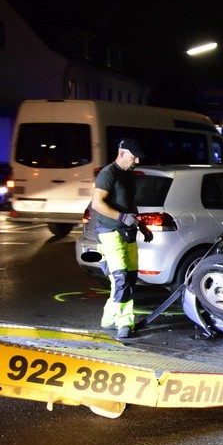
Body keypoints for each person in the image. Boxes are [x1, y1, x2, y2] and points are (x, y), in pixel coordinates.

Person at [91, 139, 153, 338]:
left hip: (128, 233)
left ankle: (108, 318)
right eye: (134, 156)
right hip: (110, 233)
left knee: (129, 278)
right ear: (122, 153)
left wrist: (142, 226)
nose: (137, 160)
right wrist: (121, 217)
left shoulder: (129, 175)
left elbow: (130, 203)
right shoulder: (108, 173)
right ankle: (123, 322)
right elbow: (97, 204)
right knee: (122, 279)